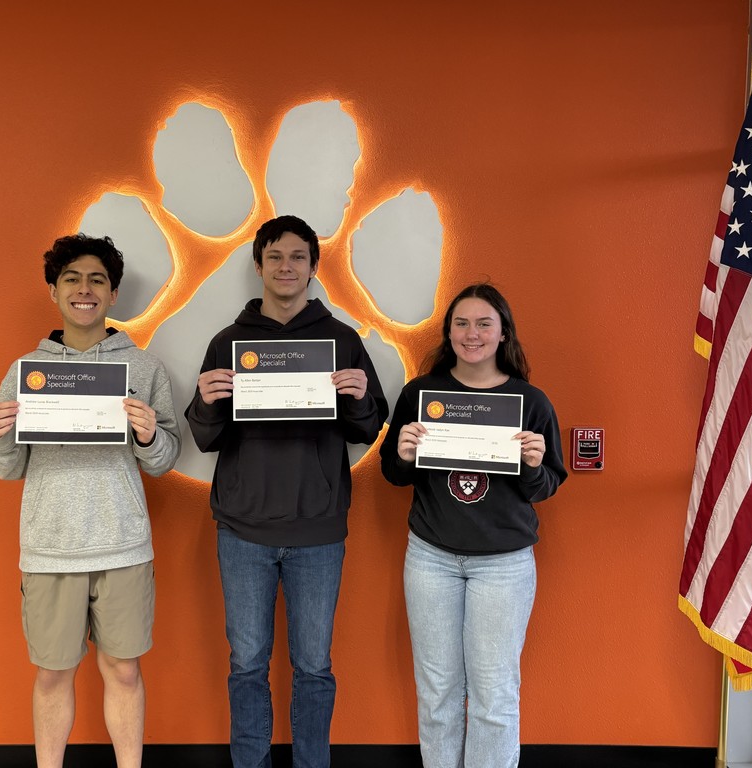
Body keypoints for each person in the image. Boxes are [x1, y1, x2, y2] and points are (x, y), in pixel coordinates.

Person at [186, 215, 388, 768]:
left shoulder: (342, 340)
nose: (285, 267)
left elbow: (368, 429)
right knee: (247, 665)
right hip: (244, 531)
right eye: (274, 256)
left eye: (297, 257)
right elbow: (204, 436)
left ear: (313, 268)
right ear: (258, 266)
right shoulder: (228, 343)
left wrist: (360, 396)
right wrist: (205, 400)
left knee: (314, 667)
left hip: (318, 531)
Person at [0, 234, 181, 768]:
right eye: (72, 278)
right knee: (51, 674)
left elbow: (164, 459)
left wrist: (147, 436)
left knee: (123, 671)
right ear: (54, 291)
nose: (84, 289)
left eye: (97, 280)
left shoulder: (143, 368)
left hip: (123, 545)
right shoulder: (27, 370)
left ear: (113, 293)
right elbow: (9, 467)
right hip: (50, 547)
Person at [379, 283, 566, 768]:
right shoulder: (421, 395)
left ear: (503, 332)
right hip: (431, 558)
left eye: (484, 323)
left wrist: (531, 464)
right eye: (461, 323)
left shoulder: (531, 402)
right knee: (437, 692)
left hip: (503, 566)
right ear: (448, 332)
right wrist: (402, 454)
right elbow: (394, 474)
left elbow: (545, 486)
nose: (472, 333)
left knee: (494, 695)